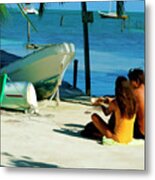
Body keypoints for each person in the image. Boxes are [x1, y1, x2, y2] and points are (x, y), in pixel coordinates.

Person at [91, 76, 137, 144]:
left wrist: (100, 103)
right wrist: (110, 101)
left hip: (116, 138)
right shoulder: (133, 102)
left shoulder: (115, 103)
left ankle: (101, 134)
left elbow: (106, 113)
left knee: (94, 116)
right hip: (129, 138)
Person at [128, 68, 145, 139]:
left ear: (137, 81)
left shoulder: (136, 93)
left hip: (141, 132)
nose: (129, 84)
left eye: (130, 81)